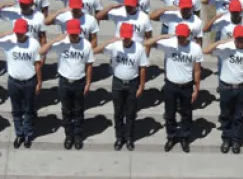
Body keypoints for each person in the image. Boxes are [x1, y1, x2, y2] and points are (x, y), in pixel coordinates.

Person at [144, 24, 203, 152]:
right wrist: (165, 36)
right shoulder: (169, 44)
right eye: (178, 36)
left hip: (186, 85)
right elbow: (147, 42)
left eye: (183, 37)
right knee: (170, 113)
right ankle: (171, 136)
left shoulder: (195, 48)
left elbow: (197, 69)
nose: (180, 39)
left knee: (186, 114)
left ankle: (184, 137)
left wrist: (197, 88)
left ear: (188, 36)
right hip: (171, 85)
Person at [39, 19, 95, 150]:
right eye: (71, 34)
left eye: (76, 33)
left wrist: (88, 83)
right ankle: (69, 136)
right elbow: (41, 51)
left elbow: (89, 65)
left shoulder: (86, 45)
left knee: (78, 110)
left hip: (79, 81)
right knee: (66, 110)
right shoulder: (61, 43)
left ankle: (78, 136)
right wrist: (55, 40)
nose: (73, 36)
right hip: (64, 81)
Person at [93, 23, 148, 151]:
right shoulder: (115, 46)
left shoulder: (139, 48)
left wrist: (141, 86)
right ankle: (119, 137)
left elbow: (143, 68)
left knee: (130, 113)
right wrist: (109, 41)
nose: (126, 40)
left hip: (132, 83)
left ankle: (129, 138)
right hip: (117, 82)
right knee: (118, 113)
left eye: (128, 37)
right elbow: (94, 51)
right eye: (124, 37)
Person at [204, 26, 243, 154]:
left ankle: (236, 140)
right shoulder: (225, 49)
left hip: (241, 87)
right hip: (226, 87)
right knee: (226, 115)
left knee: (238, 116)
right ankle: (226, 139)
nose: (240, 42)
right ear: (234, 38)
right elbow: (206, 50)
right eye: (237, 39)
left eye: (242, 39)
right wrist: (221, 42)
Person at [0, 19, 42, 149]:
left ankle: (28, 134)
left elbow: (37, 64)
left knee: (29, 109)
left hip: (29, 81)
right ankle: (19, 134)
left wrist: (39, 82)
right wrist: (9, 33)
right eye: (17, 33)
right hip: (14, 82)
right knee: (16, 110)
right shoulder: (9, 43)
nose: (19, 35)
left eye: (21, 33)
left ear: (26, 31)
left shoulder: (34, 44)